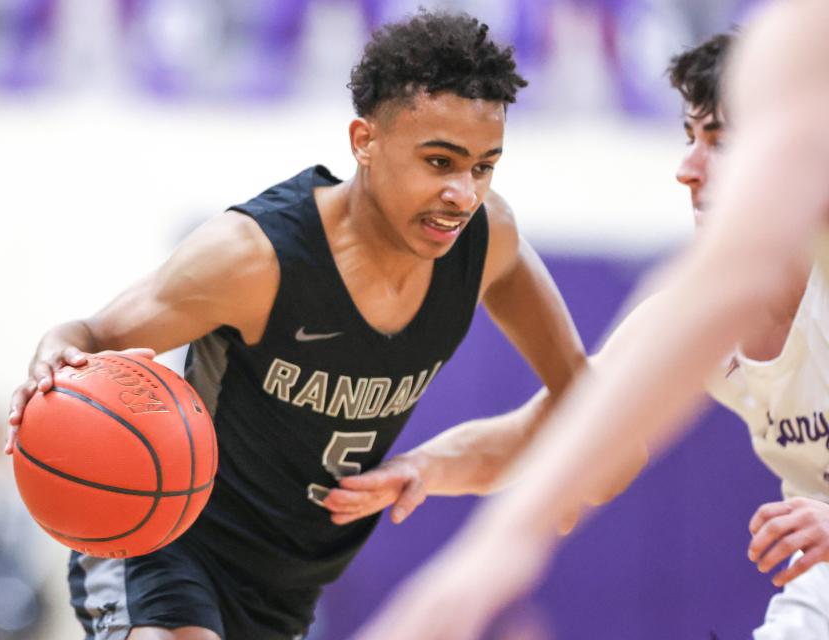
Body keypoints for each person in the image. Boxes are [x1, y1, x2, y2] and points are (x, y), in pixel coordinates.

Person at [5, 11, 588, 640]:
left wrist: (434, 467)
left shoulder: (488, 243)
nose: (463, 193)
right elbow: (87, 338)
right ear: (364, 140)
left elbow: (584, 405)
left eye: (483, 167)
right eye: (440, 161)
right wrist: (52, 359)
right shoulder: (253, 257)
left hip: (289, 585)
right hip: (170, 541)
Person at [354, 1, 829, 638]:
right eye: (689, 138)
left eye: (719, 140)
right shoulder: (700, 315)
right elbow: (560, 425)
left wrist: (502, 546)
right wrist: (424, 469)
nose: (687, 169)